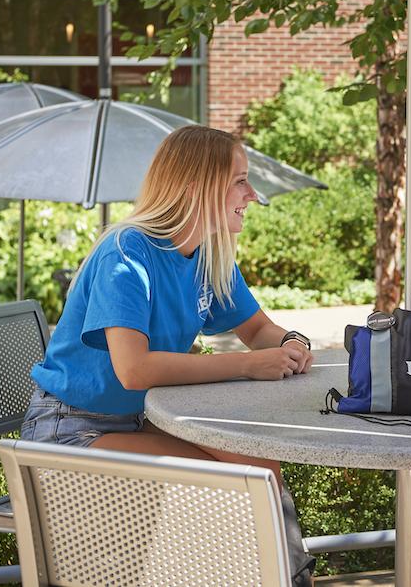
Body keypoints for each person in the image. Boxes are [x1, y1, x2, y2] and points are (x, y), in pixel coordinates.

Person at [20, 125, 317, 584]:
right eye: (239, 180)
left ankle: (290, 579)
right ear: (197, 185)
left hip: (137, 422)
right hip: (69, 430)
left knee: (257, 465)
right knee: (226, 487)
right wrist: (247, 364)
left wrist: (291, 344)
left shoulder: (206, 253)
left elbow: (257, 329)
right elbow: (134, 369)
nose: (252, 194)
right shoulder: (126, 253)